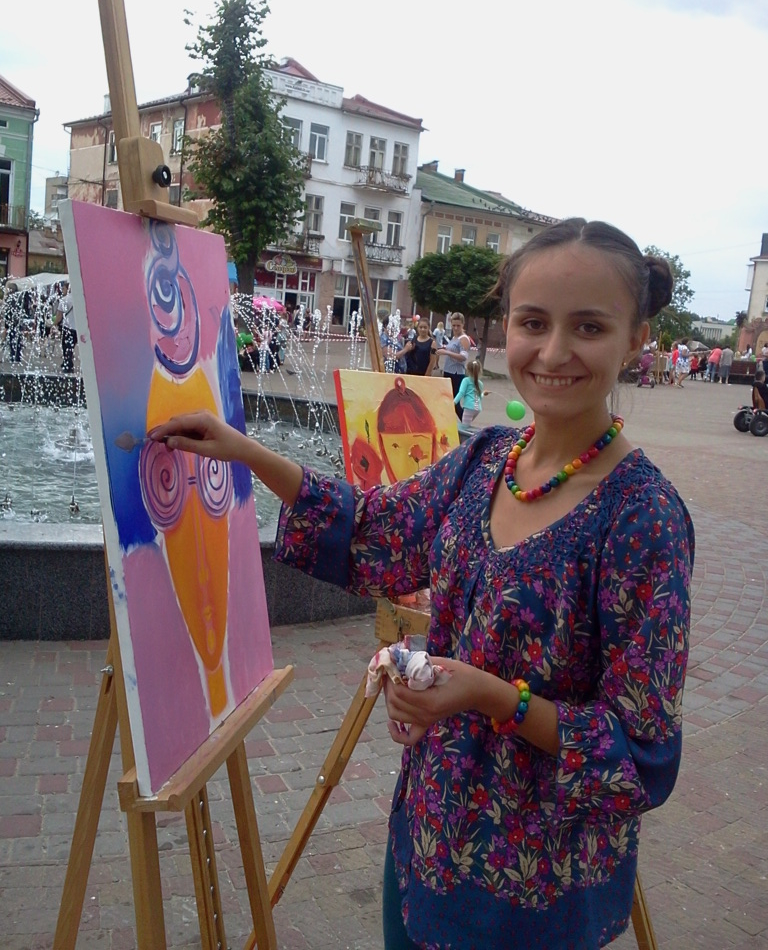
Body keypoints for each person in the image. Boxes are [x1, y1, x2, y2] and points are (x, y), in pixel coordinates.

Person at [151, 217, 694, 950]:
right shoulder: (486, 460)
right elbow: (378, 529)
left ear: (635, 340)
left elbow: (639, 754)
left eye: (589, 327)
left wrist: (491, 696)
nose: (553, 351)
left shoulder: (643, 518)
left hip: (537, 883)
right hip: (430, 836)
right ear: (506, 327)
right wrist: (245, 452)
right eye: (534, 323)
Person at [435, 311, 471, 418]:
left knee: (455, 402)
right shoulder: (454, 337)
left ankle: (466, 421)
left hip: (456, 373)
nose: (455, 328)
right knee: (447, 400)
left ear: (463, 325)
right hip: (448, 370)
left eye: (458, 326)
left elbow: (463, 357)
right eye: (454, 325)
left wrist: (446, 352)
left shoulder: (463, 339)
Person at [54, 280, 78, 373]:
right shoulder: (80, 300)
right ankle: (67, 363)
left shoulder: (64, 300)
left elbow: (59, 315)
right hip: (77, 328)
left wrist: (54, 324)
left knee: (66, 346)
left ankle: (68, 365)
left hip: (67, 327)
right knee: (71, 346)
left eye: (63, 288)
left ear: (68, 289)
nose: (62, 290)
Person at [453, 358, 486, 424]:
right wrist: (483, 394)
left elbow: (461, 393)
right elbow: (479, 397)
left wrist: (454, 402)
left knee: (464, 426)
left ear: (467, 370)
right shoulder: (480, 383)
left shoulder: (466, 380)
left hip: (469, 407)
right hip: (477, 408)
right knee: (467, 424)